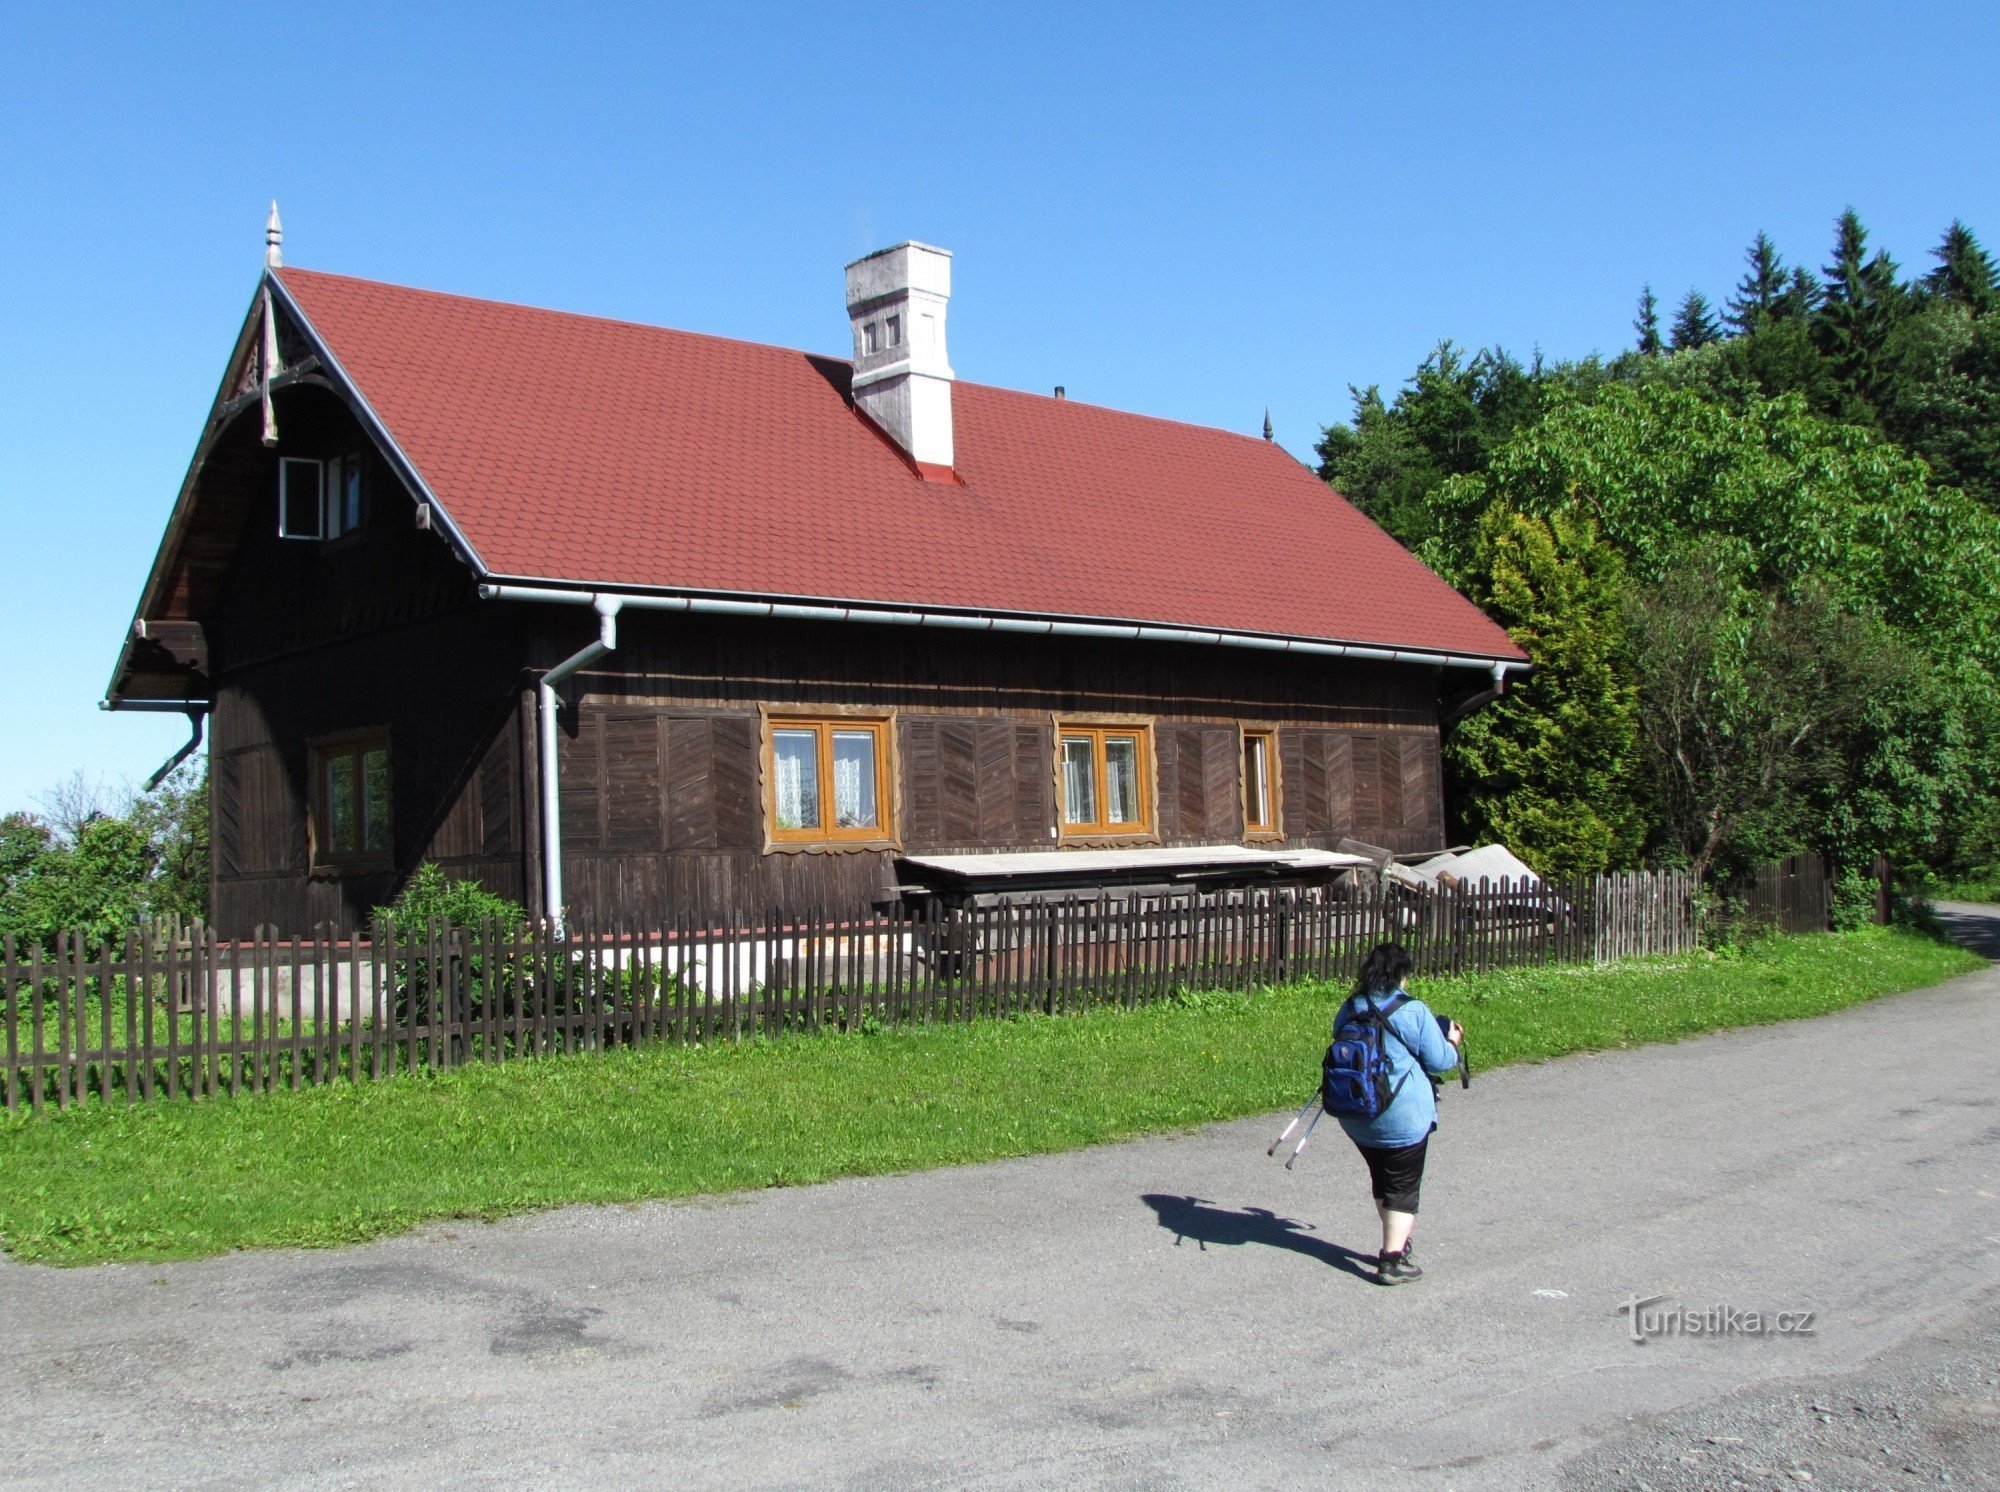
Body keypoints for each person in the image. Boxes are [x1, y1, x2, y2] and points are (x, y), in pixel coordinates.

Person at [1331, 943, 1462, 1285]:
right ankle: (1391, 1260)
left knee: (1382, 1178)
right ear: (1403, 974)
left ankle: (1397, 1240)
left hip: (1356, 1115)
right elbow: (1441, 1062)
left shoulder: (1350, 1007)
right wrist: (1452, 1041)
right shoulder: (1413, 1010)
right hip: (1402, 1116)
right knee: (1402, 1186)